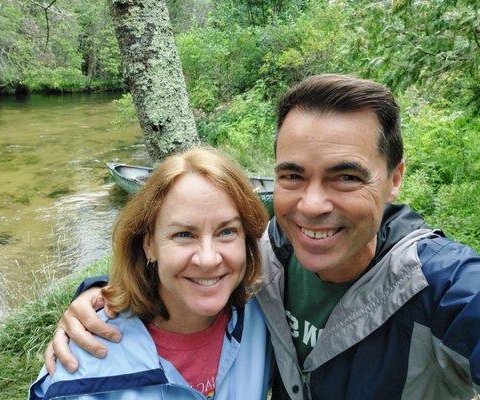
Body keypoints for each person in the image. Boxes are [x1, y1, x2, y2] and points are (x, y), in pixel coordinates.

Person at [45, 75, 480, 399]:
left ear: (394, 178)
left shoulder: (441, 287)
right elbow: (190, 252)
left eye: (345, 177)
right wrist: (100, 296)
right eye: (292, 175)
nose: (311, 205)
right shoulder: (265, 259)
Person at [30, 147, 272, 399]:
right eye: (184, 235)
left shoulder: (265, 314)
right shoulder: (82, 367)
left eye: (226, 231)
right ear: (149, 245)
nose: (209, 259)